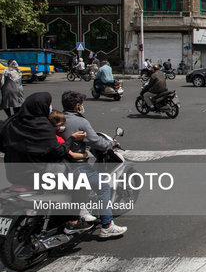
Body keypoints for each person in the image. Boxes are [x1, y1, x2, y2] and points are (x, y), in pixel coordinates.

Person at [0, 92, 92, 234]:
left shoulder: (13, 122)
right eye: (48, 105)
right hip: (37, 174)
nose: (50, 108)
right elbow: (57, 151)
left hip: (13, 173)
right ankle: (73, 220)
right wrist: (71, 140)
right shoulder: (42, 126)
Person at [61, 91, 127, 237]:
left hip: (62, 163)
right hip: (76, 164)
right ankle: (107, 226)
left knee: (82, 188)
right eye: (82, 105)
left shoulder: (58, 119)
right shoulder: (80, 122)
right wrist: (111, 144)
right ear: (78, 106)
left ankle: (82, 211)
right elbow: (96, 142)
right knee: (103, 188)